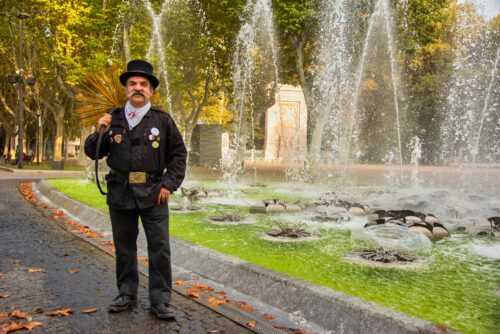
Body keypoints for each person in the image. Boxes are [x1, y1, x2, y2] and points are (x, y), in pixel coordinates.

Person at [84, 60, 187, 319]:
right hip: (120, 191)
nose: (138, 88)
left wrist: (169, 184)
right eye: (133, 84)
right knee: (124, 246)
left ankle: (160, 300)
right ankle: (126, 293)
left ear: (151, 90)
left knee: (159, 247)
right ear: (126, 88)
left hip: (154, 192)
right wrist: (99, 131)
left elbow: (178, 155)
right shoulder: (113, 118)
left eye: (143, 84)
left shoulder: (163, 120)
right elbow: (93, 152)